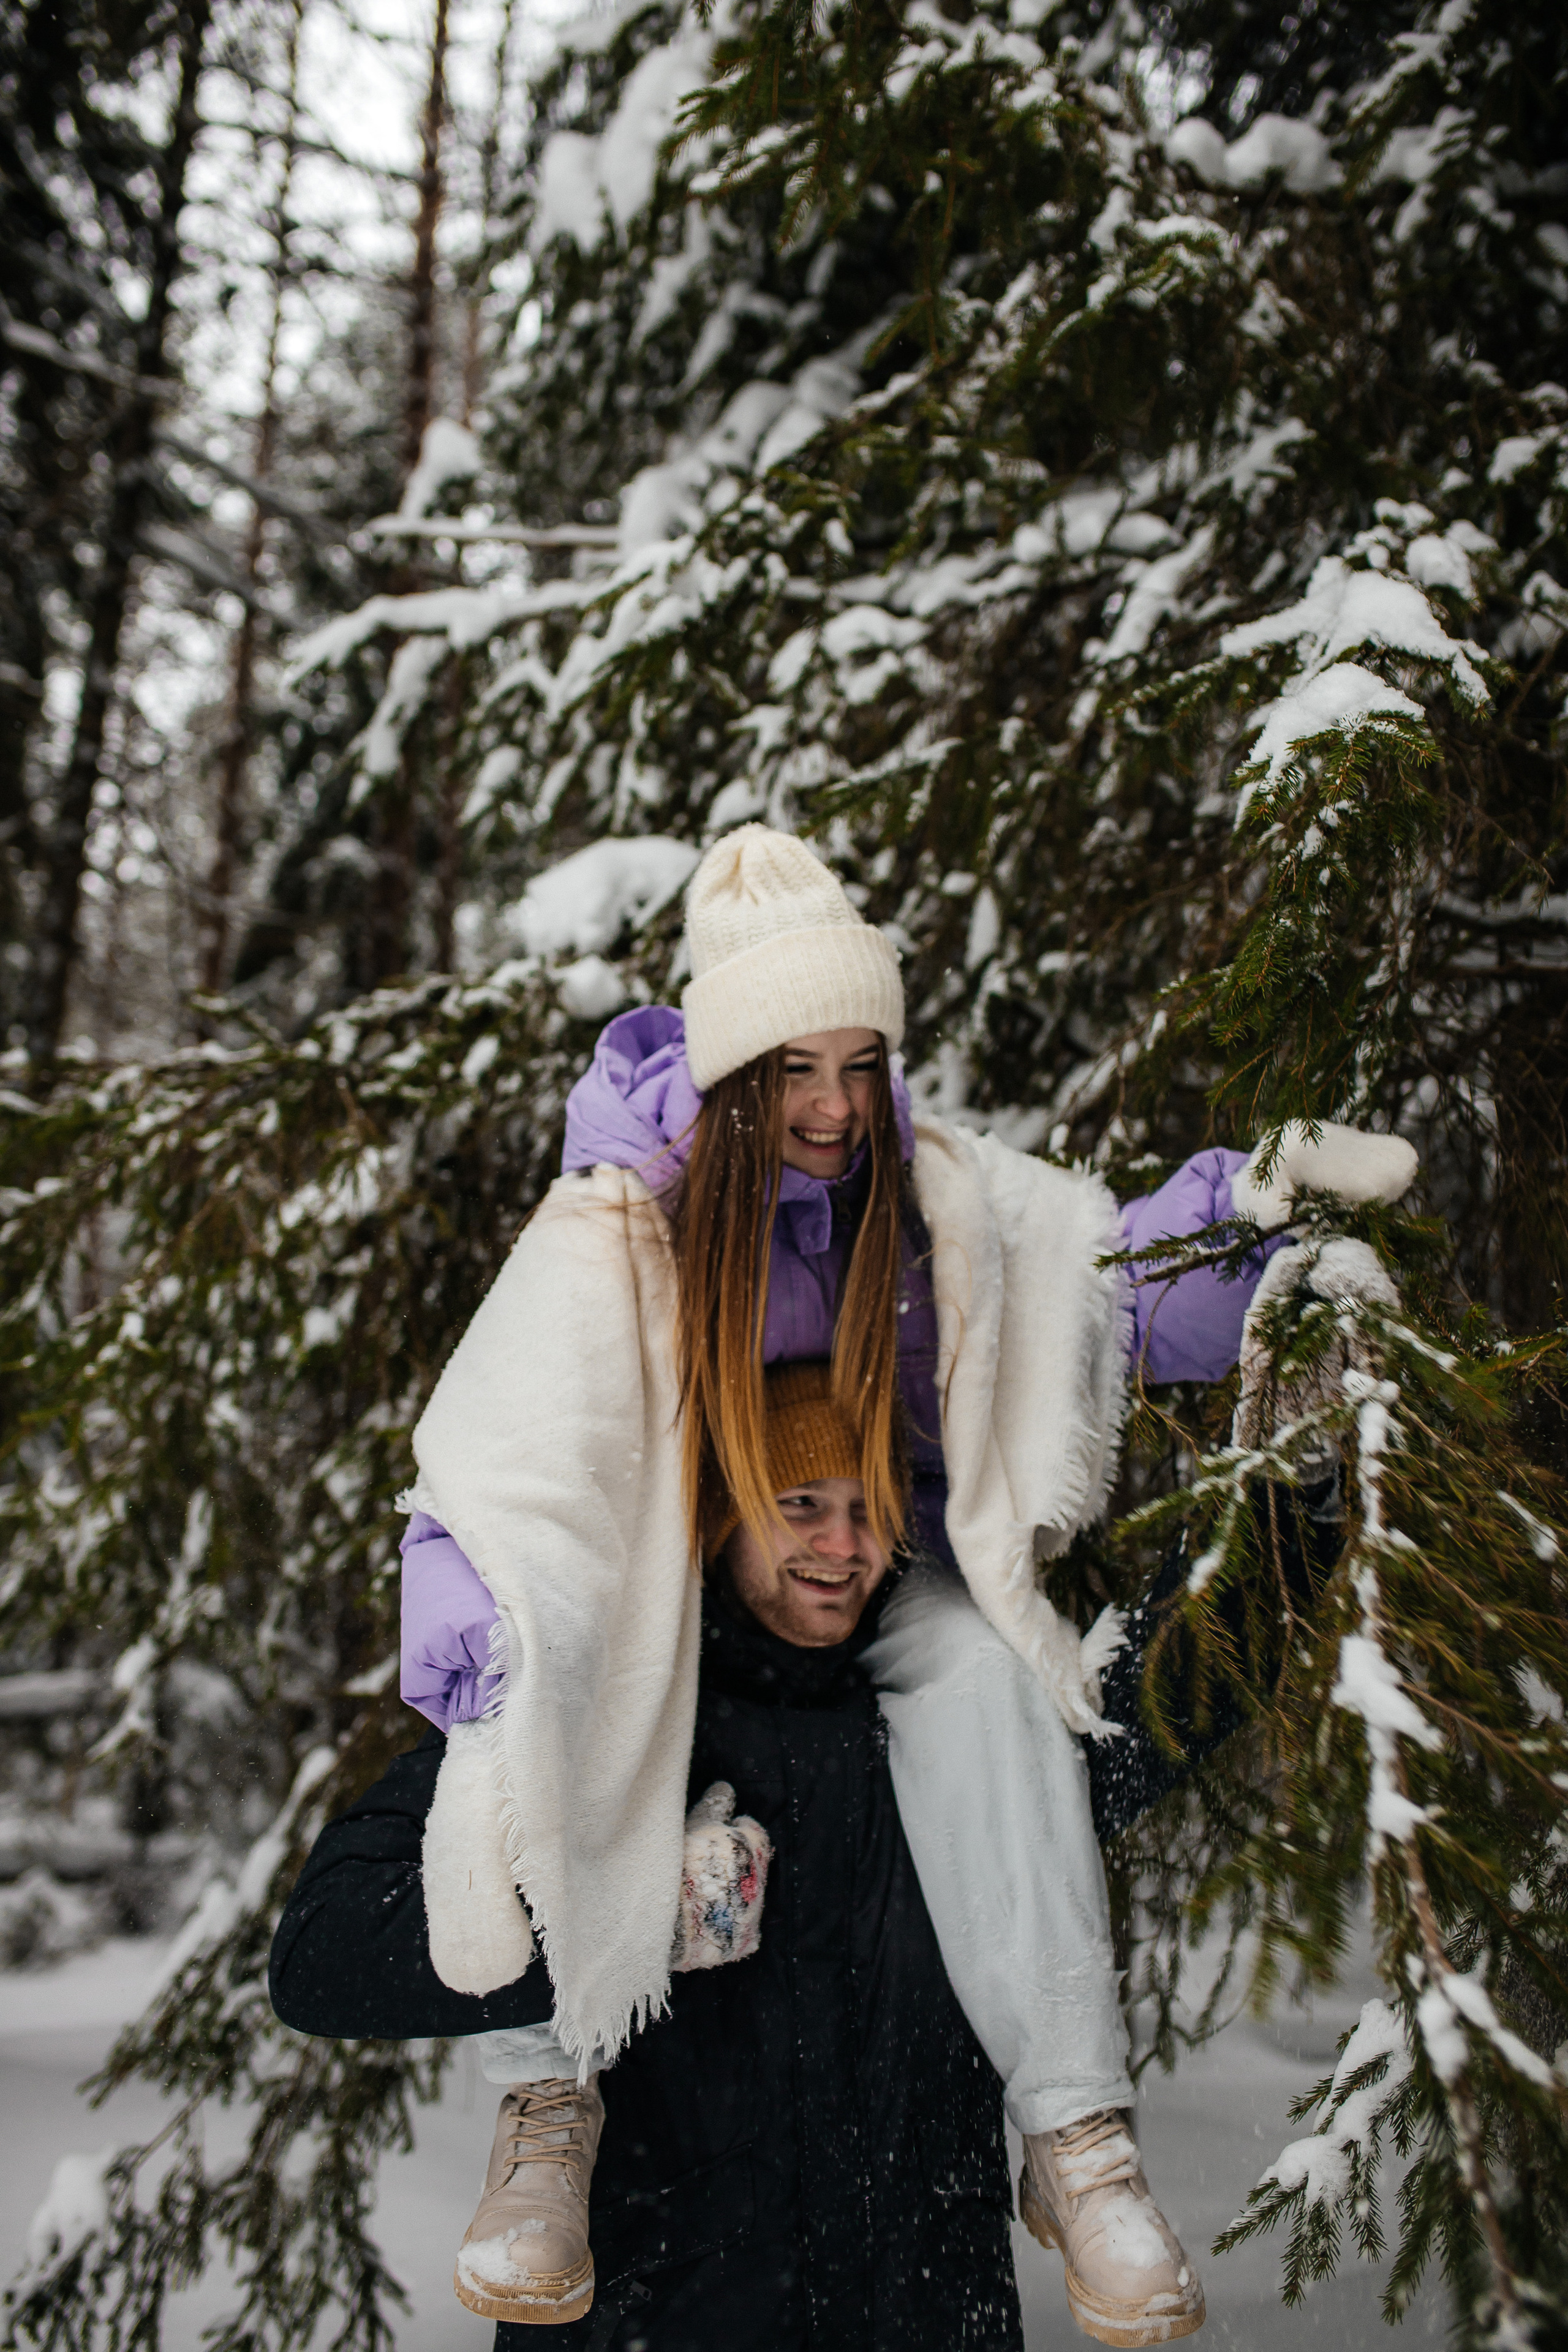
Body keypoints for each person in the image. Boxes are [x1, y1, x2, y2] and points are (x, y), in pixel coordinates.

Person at [387, 826, 1417, 2342]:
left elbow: (1089, 1289)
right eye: (792, 1068)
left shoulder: (919, 1198)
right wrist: (463, 1609)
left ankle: (1077, 2139)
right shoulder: (624, 1215)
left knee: (995, 1673)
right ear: (733, 1075)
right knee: (557, 1688)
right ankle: (549, 2104)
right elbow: (505, 1431)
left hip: (887, 1561)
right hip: (666, 1580)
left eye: (857, 1062)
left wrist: (1251, 1236)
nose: (828, 1104)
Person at [272, 1366, 1030, 2348]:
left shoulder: (949, 1729)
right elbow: (320, 1954)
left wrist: (1298, 1505)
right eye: (799, 1504)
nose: (842, 1546)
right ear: (725, 1512)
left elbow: (1148, 1717)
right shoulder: (587, 1724)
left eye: (869, 1509)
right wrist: (633, 1921)